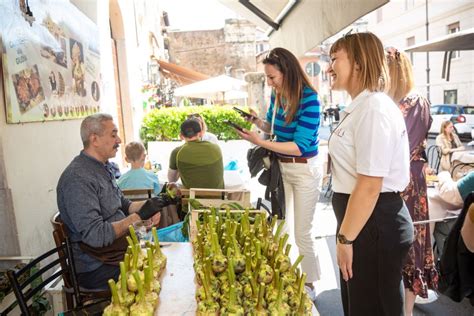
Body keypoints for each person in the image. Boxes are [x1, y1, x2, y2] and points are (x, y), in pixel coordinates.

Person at [327, 32, 413, 316]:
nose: (329, 68)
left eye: (335, 59)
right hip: (364, 223)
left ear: (360, 63)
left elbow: (369, 185)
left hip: (373, 223)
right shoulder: (362, 106)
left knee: (371, 307)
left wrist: (345, 239)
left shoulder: (373, 108)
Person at [236, 47, 322, 300]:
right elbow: (274, 130)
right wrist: (255, 123)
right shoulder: (277, 96)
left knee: (302, 232)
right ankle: (284, 273)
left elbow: (300, 145)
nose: (269, 82)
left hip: (304, 169)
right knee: (280, 226)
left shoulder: (309, 98)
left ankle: (310, 283)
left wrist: (259, 142)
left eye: (272, 77)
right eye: (267, 78)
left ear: (289, 72)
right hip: (282, 169)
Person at [57, 113, 175, 290]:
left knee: (166, 261)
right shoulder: (77, 179)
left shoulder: (102, 167)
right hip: (96, 266)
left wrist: (153, 204)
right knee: (159, 277)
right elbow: (96, 236)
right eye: (113, 134)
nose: (119, 140)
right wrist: (138, 217)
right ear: (94, 139)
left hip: (117, 251)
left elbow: (124, 205)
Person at [386, 47, 438, 315]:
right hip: (396, 179)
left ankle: (406, 312)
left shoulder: (415, 101)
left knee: (411, 247)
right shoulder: (393, 102)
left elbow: (402, 148)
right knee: (397, 246)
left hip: (407, 180)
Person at [168, 118, 224, 189]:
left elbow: (172, 180)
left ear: (181, 136)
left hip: (192, 199)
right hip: (218, 198)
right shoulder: (216, 148)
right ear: (201, 133)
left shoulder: (177, 152)